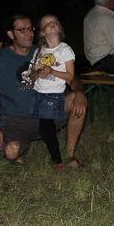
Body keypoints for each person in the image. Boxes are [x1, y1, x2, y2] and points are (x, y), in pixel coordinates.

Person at [0, 15, 86, 167]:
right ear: (11, 34)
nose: (28, 33)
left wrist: (79, 92)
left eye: (30, 29)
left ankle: (69, 154)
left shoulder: (44, 51)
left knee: (76, 99)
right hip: (16, 121)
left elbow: (73, 78)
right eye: (22, 30)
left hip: (48, 111)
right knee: (11, 152)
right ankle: (20, 147)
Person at [28, 14, 75, 171]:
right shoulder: (39, 51)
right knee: (41, 125)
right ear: (42, 32)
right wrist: (38, 73)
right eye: (47, 24)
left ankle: (57, 160)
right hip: (37, 93)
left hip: (53, 94)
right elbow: (32, 75)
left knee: (46, 125)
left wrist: (52, 71)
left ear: (59, 28)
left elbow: (70, 76)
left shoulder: (65, 49)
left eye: (55, 22)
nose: (52, 24)